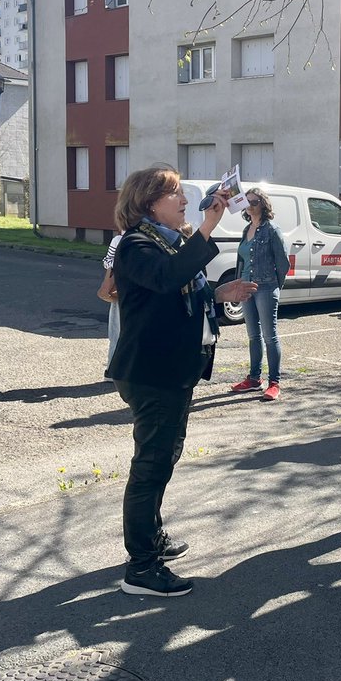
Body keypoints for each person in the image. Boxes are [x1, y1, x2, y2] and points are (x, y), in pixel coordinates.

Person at [108, 165, 257, 597]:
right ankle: (141, 568)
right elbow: (166, 279)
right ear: (150, 201)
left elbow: (176, 291)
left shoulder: (163, 243)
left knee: (163, 459)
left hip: (172, 369)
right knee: (150, 468)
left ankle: (151, 537)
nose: (186, 202)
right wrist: (209, 226)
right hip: (151, 372)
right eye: (176, 195)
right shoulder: (135, 244)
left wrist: (217, 293)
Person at [230, 187, 288, 401]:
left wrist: (275, 287)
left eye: (254, 202)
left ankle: (274, 382)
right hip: (246, 286)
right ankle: (254, 378)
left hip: (265, 286)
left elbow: (283, 261)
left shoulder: (272, 229)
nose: (250, 205)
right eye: (247, 202)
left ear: (263, 204)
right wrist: (238, 284)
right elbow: (241, 260)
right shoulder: (246, 230)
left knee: (269, 336)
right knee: (253, 335)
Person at [99, 232, 123, 375]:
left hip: (125, 290)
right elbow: (107, 261)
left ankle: (114, 369)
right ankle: (113, 369)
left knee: (118, 330)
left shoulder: (120, 239)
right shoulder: (118, 240)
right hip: (122, 290)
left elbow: (107, 262)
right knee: (117, 329)